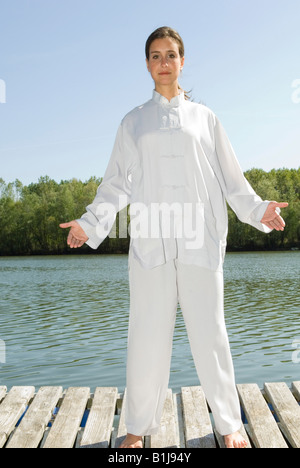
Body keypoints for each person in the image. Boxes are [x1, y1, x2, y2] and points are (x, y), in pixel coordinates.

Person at [60, 27, 288, 448]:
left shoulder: (207, 119)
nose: (163, 62)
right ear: (147, 64)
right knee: (145, 336)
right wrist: (89, 224)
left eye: (171, 54)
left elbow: (231, 179)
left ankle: (229, 424)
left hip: (201, 239)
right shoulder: (132, 122)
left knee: (211, 334)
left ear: (183, 61)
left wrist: (259, 210)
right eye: (155, 55)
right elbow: (115, 186)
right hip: (150, 242)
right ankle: (135, 429)